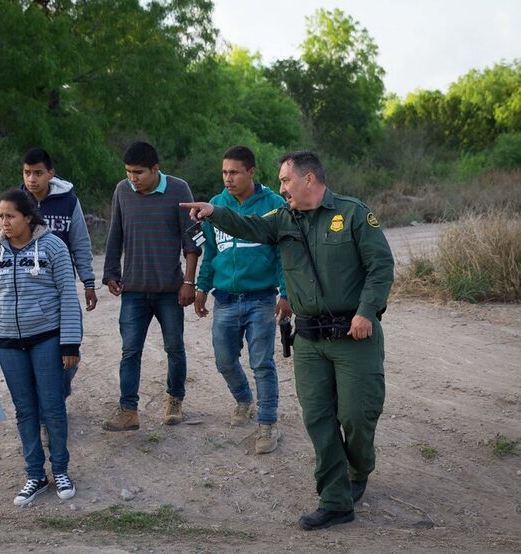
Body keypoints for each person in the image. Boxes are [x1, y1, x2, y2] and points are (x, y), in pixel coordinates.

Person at [181, 151, 394, 530]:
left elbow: (381, 267)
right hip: (310, 338)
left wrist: (366, 311)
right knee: (317, 417)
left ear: (309, 179)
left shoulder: (354, 214)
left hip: (353, 334)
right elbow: (248, 226)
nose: (281, 189)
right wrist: (214, 213)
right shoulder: (283, 218)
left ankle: (358, 468)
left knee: (356, 416)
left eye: (285, 181)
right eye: (280, 182)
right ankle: (335, 500)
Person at [0, 189, 83, 506]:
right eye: (1, 216)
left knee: (52, 407)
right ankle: (34, 475)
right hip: (7, 343)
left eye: (10, 216)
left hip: (47, 340)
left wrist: (70, 343)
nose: (3, 222)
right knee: (25, 410)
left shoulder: (53, 248)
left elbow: (67, 298)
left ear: (28, 217)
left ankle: (60, 471)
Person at [193, 145, 291, 454]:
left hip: (260, 298)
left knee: (262, 363)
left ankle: (267, 425)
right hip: (224, 298)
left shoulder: (274, 204)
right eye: (224, 172)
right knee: (224, 360)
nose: (228, 178)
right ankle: (243, 400)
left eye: (234, 172)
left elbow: (283, 255)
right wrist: (201, 287)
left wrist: (286, 294)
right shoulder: (215, 205)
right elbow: (210, 252)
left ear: (251, 172)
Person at [102, 141, 201, 431]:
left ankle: (175, 401)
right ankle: (128, 410)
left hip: (170, 289)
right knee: (130, 350)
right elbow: (115, 234)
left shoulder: (179, 190)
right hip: (133, 289)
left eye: (139, 172)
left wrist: (188, 282)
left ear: (156, 169)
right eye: (128, 172)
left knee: (174, 348)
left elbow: (191, 241)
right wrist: (110, 272)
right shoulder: (122, 191)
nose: (132, 178)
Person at [16, 147, 97, 447]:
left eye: (38, 172)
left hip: (61, 291)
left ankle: (57, 396)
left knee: (69, 355)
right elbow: (0, 239)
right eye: (27, 173)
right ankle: (44, 413)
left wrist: (88, 281)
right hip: (24, 293)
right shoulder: (16, 202)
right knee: (31, 352)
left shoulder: (67, 201)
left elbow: (80, 242)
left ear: (51, 173)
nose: (32, 179)